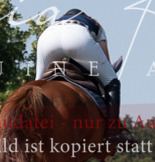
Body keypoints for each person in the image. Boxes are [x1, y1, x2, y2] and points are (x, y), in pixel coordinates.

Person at [35, 9, 124, 138]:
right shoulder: (94, 24)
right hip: (78, 38)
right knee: (112, 80)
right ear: (85, 16)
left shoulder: (56, 22)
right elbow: (106, 59)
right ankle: (113, 131)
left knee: (37, 85)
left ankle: (28, 126)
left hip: (47, 37)